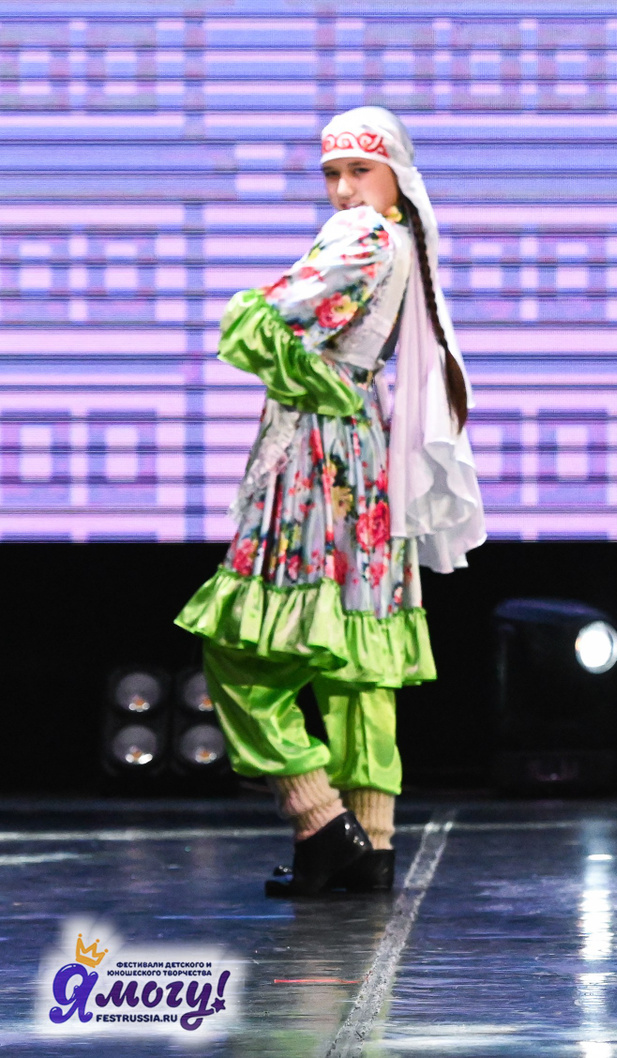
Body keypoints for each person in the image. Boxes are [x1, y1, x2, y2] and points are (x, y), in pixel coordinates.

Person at [175, 106, 484, 897]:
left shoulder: (364, 238)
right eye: (333, 174)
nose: (344, 189)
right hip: (363, 443)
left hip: (321, 453)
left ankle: (321, 820)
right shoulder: (404, 242)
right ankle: (370, 845)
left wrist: (251, 312)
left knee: (241, 649)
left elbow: (265, 322)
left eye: (360, 171)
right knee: (356, 654)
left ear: (395, 176)